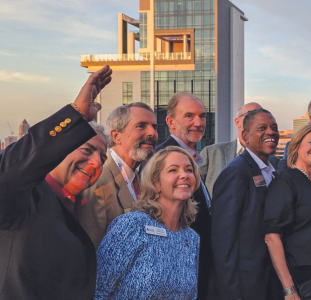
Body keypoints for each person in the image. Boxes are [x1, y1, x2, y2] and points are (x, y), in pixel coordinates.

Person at [0, 65, 112, 299]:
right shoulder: (24, 198)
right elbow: (8, 171)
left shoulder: (84, 208)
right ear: (61, 147)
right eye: (86, 150)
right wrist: (75, 115)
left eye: (102, 158)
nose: (95, 163)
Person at [95, 146, 200, 300]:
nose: (184, 175)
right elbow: (98, 290)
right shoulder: (131, 226)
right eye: (173, 170)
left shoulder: (192, 239)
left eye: (189, 170)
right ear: (155, 183)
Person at [211, 108, 280, 300]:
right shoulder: (235, 172)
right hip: (245, 283)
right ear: (245, 136)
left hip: (269, 278)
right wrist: (230, 291)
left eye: (274, 127)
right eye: (262, 128)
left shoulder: (274, 170)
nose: (271, 132)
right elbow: (223, 240)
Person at [264, 124, 311, 300]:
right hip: (299, 281)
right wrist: (289, 290)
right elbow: (272, 237)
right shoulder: (285, 182)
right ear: (296, 146)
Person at [156, 92, 213, 299]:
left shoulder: (195, 158)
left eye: (202, 116)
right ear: (170, 122)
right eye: (189, 116)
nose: (198, 122)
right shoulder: (161, 158)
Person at [81, 102, 158, 249]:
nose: (152, 133)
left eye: (154, 127)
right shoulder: (98, 180)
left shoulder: (140, 178)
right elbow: (93, 248)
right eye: (141, 126)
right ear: (116, 136)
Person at [199, 102, 280, 197]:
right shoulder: (211, 153)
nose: (258, 118)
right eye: (250, 114)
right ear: (237, 122)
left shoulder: (274, 163)